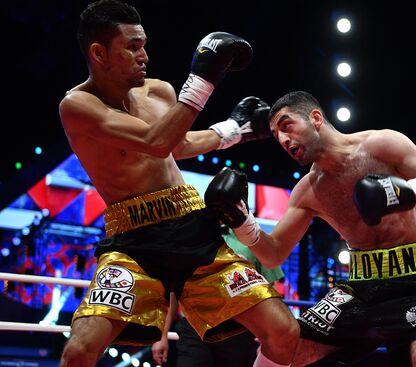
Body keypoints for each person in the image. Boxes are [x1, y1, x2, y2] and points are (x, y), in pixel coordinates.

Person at [58, 1, 300, 366]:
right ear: (99, 52)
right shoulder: (77, 105)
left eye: (144, 44)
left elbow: (176, 144)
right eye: (133, 46)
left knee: (284, 331)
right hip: (134, 244)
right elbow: (156, 141)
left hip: (192, 230)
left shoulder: (158, 92)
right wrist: (204, 79)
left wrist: (236, 131)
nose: (145, 56)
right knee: (80, 349)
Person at [205, 91, 416, 367]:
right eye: (276, 135)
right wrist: (243, 221)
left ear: (315, 118)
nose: (283, 139)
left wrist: (403, 192)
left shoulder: (381, 145)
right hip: (360, 287)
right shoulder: (308, 190)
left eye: (286, 125)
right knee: (285, 348)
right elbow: (273, 254)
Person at [151, 226, 286, 366]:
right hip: (195, 327)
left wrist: (267, 341)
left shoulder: (254, 236)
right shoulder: (188, 237)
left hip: (240, 329)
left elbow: (270, 293)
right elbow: (174, 292)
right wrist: (162, 335)